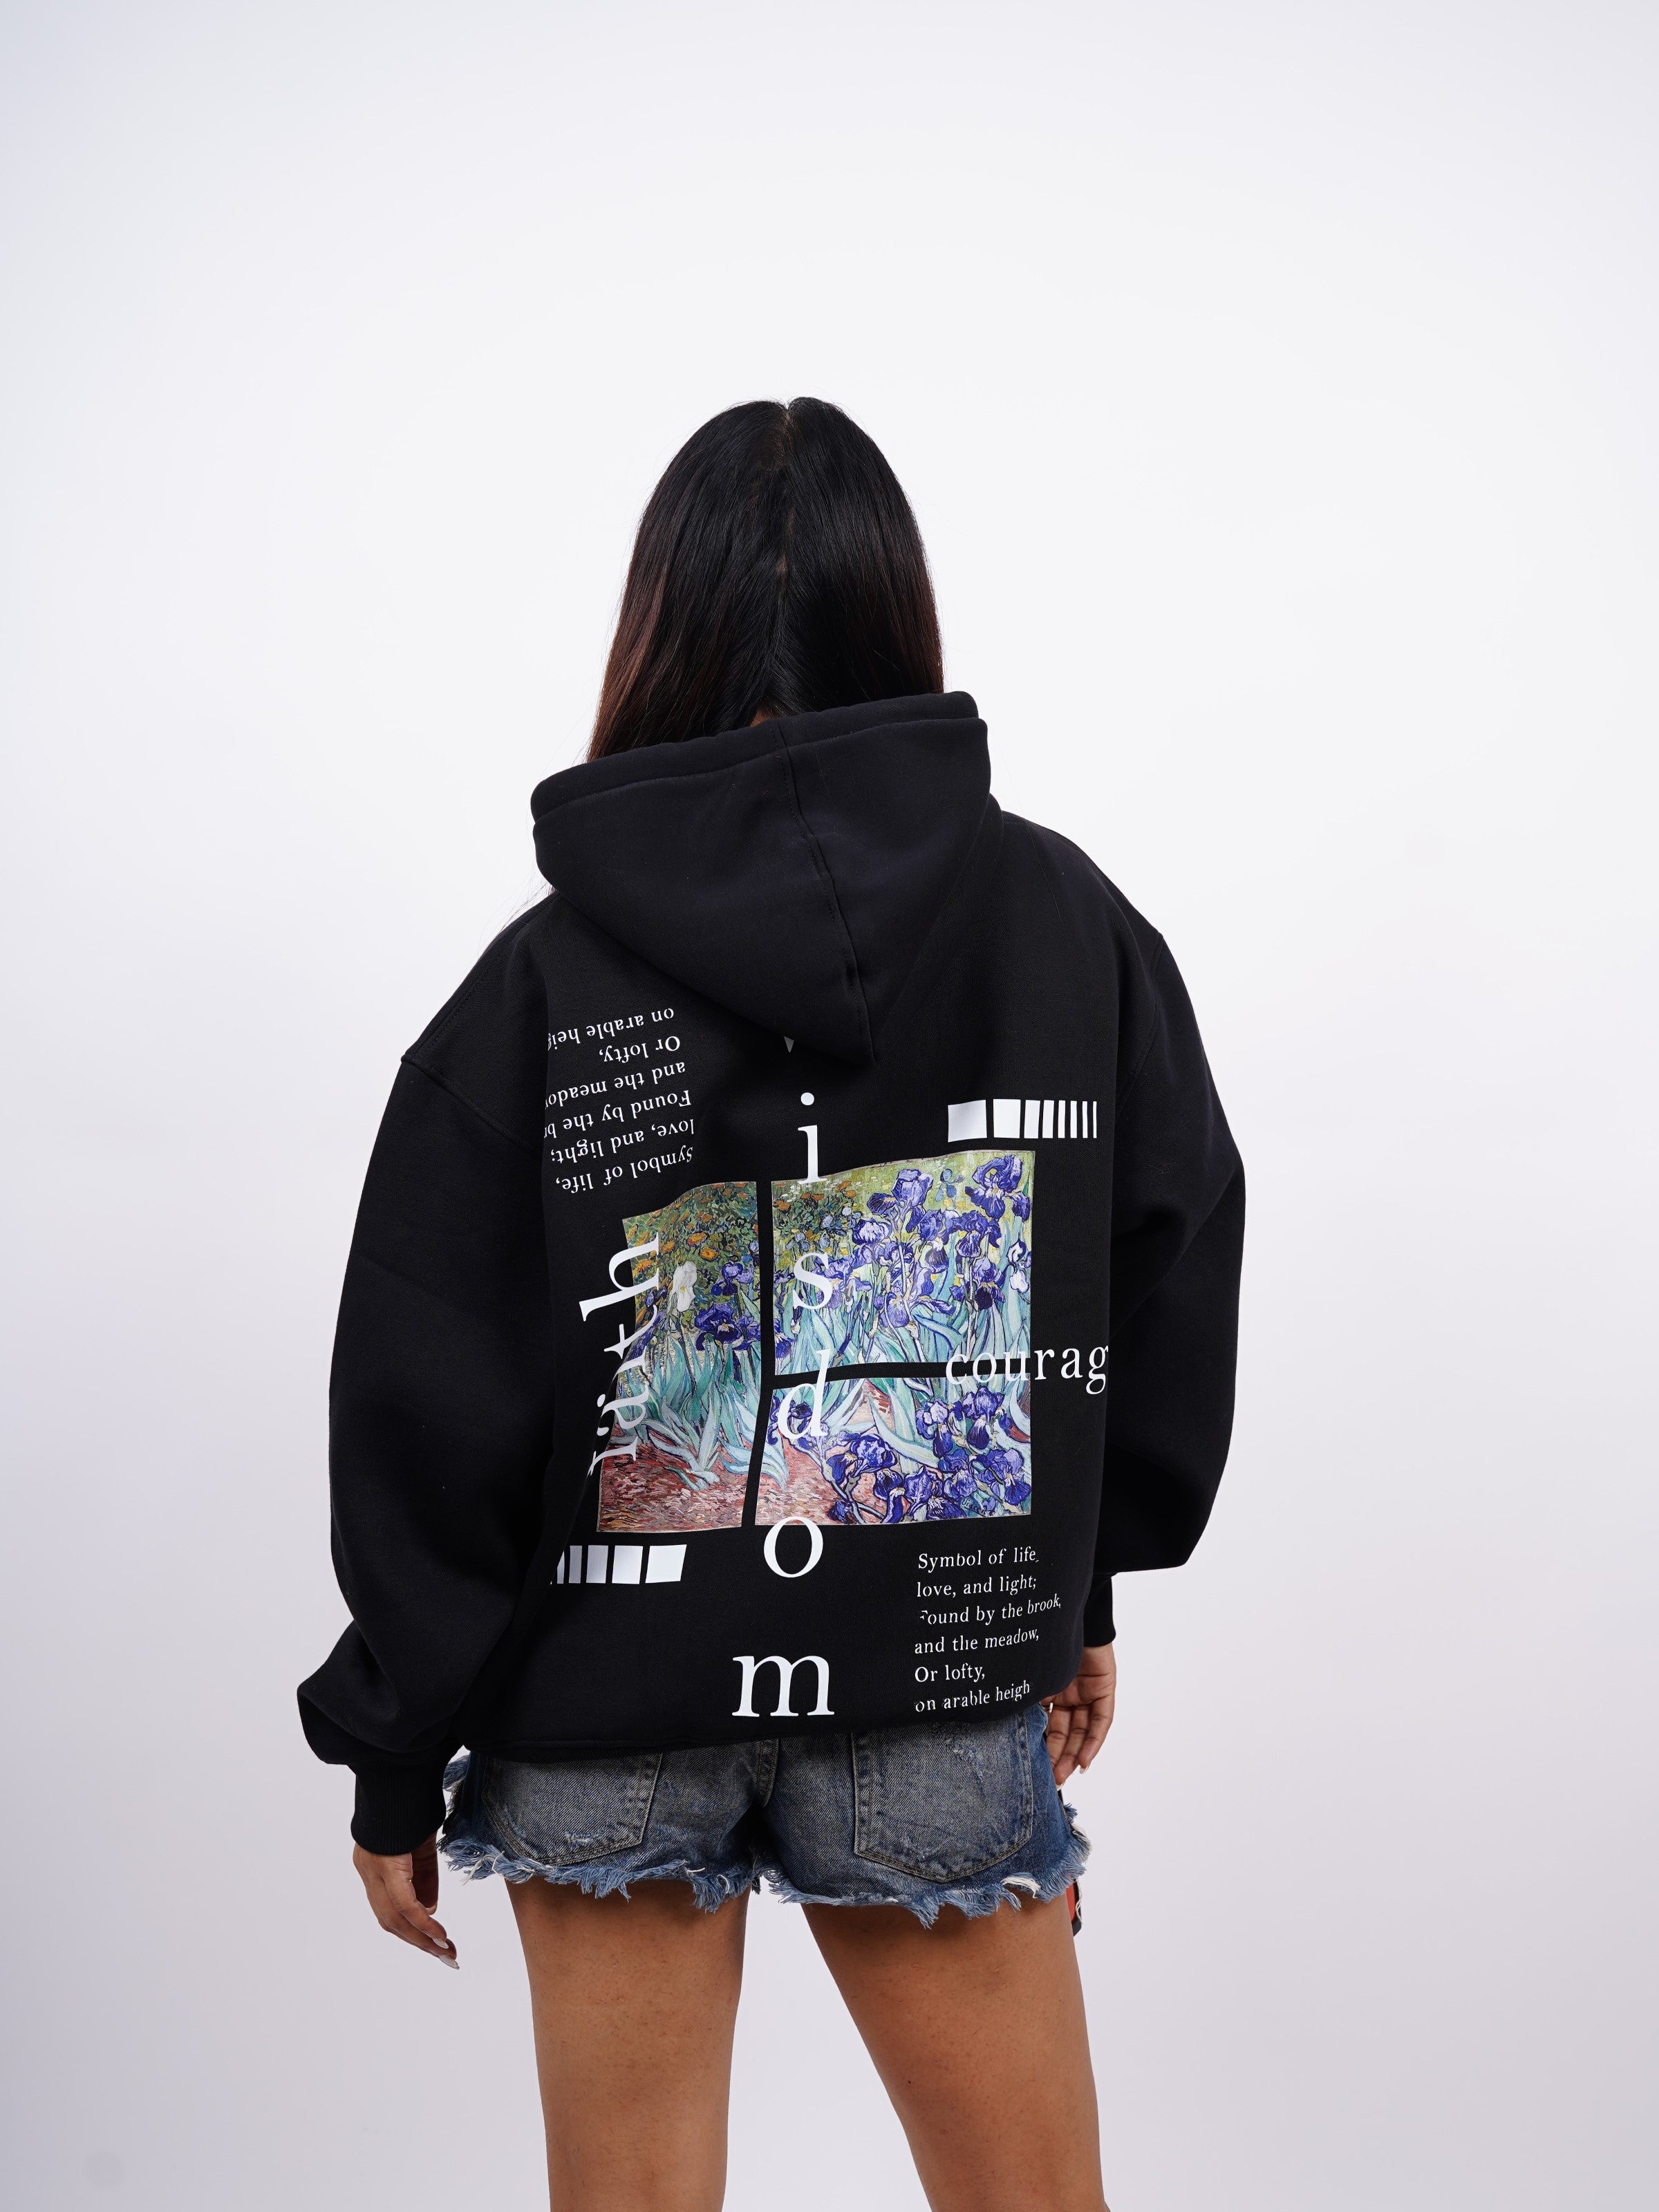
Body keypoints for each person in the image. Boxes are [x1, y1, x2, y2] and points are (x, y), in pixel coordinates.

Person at [299, 397, 1244, 2212]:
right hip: (940, 1668)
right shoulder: (1068, 925)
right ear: (905, 610)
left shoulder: (540, 984)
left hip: (597, 1690)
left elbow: (432, 1376)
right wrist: (1077, 1584)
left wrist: (396, 1751)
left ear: (656, 625)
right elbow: (1164, 1251)